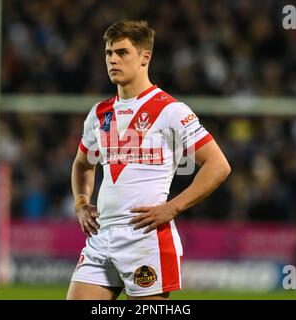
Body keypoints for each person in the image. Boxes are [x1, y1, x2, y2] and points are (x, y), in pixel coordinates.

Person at [66, 20, 231, 300]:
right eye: (108, 53)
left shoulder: (171, 111)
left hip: (145, 238)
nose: (113, 60)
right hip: (101, 236)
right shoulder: (99, 113)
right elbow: (83, 163)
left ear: (145, 57)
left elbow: (218, 166)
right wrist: (82, 203)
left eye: (122, 52)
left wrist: (173, 207)